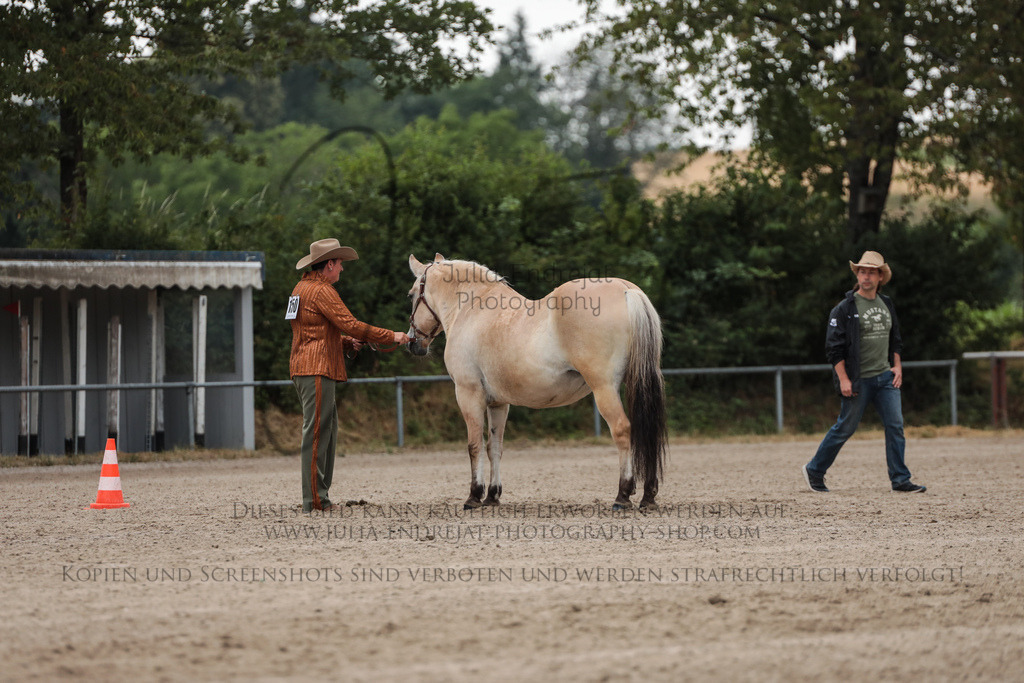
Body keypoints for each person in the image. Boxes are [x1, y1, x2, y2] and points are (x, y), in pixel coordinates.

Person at [288, 238, 410, 512]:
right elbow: (351, 324)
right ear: (329, 264)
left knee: (325, 431)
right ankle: (315, 500)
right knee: (317, 433)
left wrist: (344, 343)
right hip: (317, 368)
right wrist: (391, 335)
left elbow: (309, 332)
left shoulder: (300, 289)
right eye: (340, 263)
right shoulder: (323, 291)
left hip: (305, 366)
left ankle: (320, 496)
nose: (342, 269)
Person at [803, 251, 926, 493]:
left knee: (895, 426)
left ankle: (900, 479)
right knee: (845, 428)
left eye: (871, 272)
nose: (866, 276)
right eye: (862, 271)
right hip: (858, 380)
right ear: (857, 275)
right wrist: (844, 379)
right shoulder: (844, 308)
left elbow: (895, 339)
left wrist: (897, 366)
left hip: (885, 378)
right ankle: (814, 470)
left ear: (880, 277)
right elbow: (834, 349)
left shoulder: (886, 303)